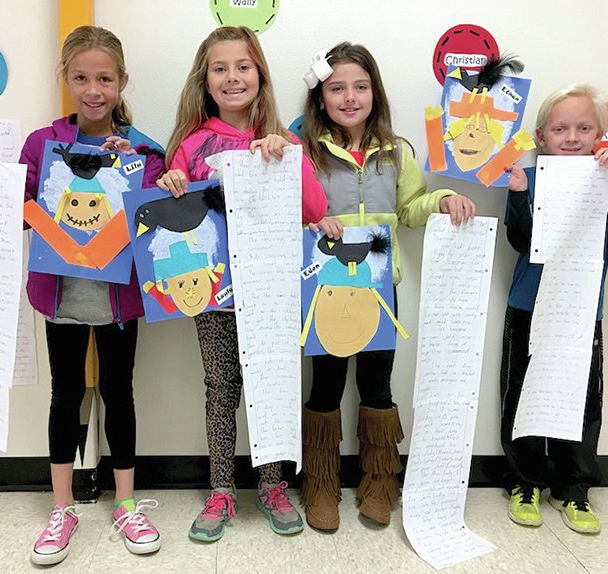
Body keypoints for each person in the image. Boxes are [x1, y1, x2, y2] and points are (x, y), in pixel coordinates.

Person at [157, 26, 327, 542]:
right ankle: (222, 491)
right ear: (205, 80)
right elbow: (166, 221)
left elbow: (316, 210)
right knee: (221, 387)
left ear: (260, 75)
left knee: (271, 382)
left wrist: (285, 159)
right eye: (220, 68)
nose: (232, 77)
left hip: (271, 287)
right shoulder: (191, 144)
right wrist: (170, 185)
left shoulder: (283, 139)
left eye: (243, 66)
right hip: (211, 292)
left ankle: (273, 486)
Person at [299, 42, 476, 531]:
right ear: (320, 97)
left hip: (380, 289)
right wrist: (314, 222)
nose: (349, 97)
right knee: (327, 385)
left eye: (360, 86)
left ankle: (379, 482)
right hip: (324, 289)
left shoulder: (397, 152)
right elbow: (292, 211)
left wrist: (441, 199)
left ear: (375, 91)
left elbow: (410, 208)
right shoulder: (305, 152)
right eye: (337, 88)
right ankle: (319, 483)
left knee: (377, 385)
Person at [23, 26, 165, 565]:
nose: (93, 89)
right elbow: (22, 205)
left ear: (122, 81)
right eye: (81, 78)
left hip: (117, 301)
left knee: (119, 394)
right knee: (65, 395)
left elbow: (151, 220)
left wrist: (138, 170)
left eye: (105, 78)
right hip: (59, 297)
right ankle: (62, 508)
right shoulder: (43, 143)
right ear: (65, 79)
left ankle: (126, 502)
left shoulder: (141, 148)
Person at [501, 83, 608, 534]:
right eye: (560, 128)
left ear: (600, 134)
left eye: (584, 128)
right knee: (523, 392)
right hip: (529, 305)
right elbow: (521, 241)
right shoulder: (533, 177)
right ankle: (525, 479)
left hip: (582, 311)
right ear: (542, 136)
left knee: (581, 396)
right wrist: (521, 193)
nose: (572, 137)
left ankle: (575, 486)